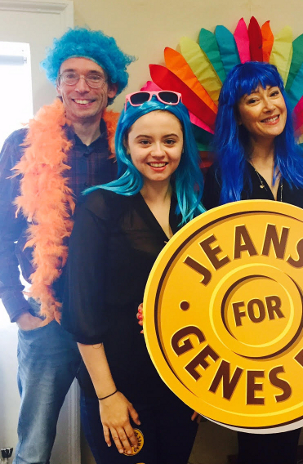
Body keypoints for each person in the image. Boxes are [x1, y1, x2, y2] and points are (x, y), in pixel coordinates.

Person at [0, 27, 134, 464]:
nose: (81, 86)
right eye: (70, 75)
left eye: (94, 77)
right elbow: (1, 228)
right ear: (56, 84)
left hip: (110, 313)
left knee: (118, 432)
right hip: (48, 314)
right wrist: (16, 308)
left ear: (111, 86)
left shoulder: (128, 147)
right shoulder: (21, 146)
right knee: (34, 443)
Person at [202, 61, 303, 464]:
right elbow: (210, 259)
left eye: (273, 93)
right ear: (237, 115)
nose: (268, 105)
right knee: (254, 432)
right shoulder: (220, 178)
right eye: (252, 98)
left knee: (292, 422)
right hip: (244, 324)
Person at [62, 91, 204, 463]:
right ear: (126, 144)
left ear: (183, 145)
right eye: (145, 141)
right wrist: (107, 397)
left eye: (169, 141)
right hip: (119, 387)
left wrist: (205, 387)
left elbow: (211, 304)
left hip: (182, 387)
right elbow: (83, 313)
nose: (158, 152)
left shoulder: (197, 215)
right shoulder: (99, 206)